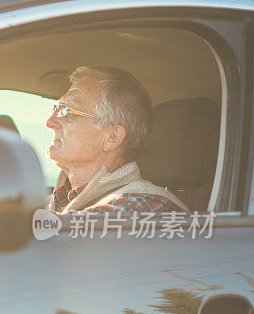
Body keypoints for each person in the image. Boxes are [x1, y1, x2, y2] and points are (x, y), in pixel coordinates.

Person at [46, 66, 188, 214]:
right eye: (56, 109)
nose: (49, 122)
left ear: (112, 138)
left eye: (67, 111)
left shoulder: (144, 205)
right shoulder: (48, 205)